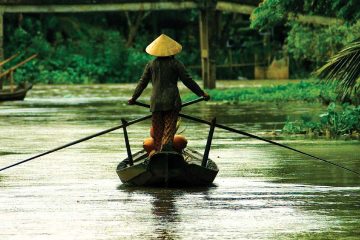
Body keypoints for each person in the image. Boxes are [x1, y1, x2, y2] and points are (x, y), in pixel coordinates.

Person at [128, 34, 210, 155]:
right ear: (172, 52)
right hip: (172, 102)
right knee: (169, 129)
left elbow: (142, 83)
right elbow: (188, 81)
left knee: (158, 133)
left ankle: (158, 153)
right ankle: (166, 150)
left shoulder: (151, 65)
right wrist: (202, 93)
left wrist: (133, 98)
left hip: (156, 103)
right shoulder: (176, 64)